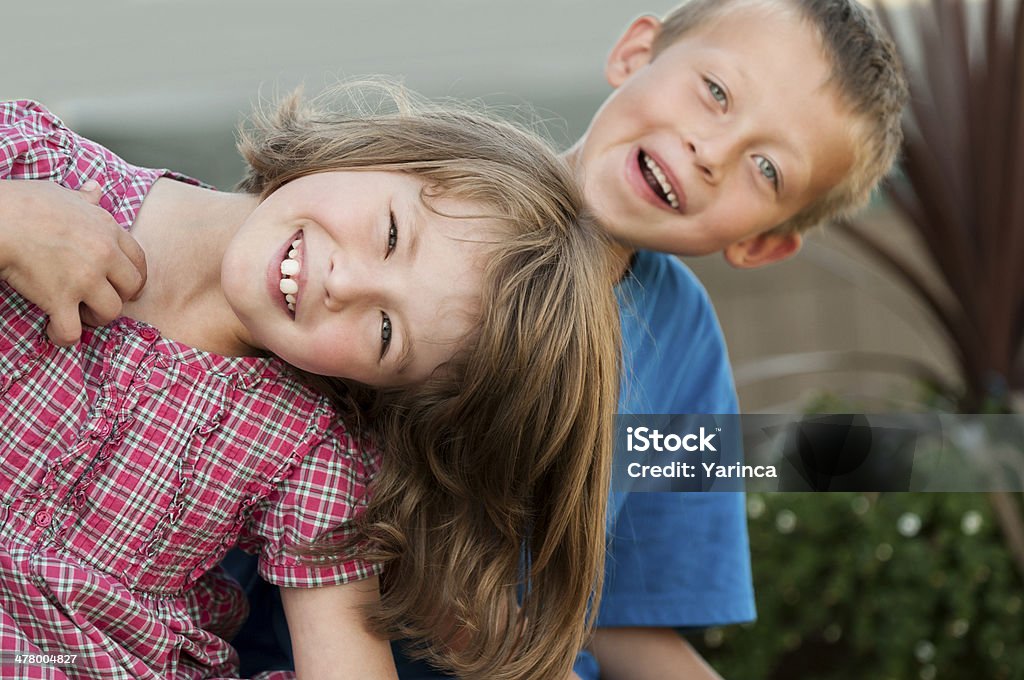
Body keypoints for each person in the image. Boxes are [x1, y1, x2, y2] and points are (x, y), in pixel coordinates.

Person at [3, 0, 908, 676]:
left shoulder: (677, 354)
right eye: (716, 91)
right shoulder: (409, 207)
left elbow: (626, 614)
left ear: (764, 242)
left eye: (764, 164)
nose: (714, 147)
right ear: (637, 49)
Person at [0, 86, 621, 680]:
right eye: (391, 235)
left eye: (384, 332)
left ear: (383, 388)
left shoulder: (309, 449)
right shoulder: (34, 163)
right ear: (381, 153)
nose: (344, 283)